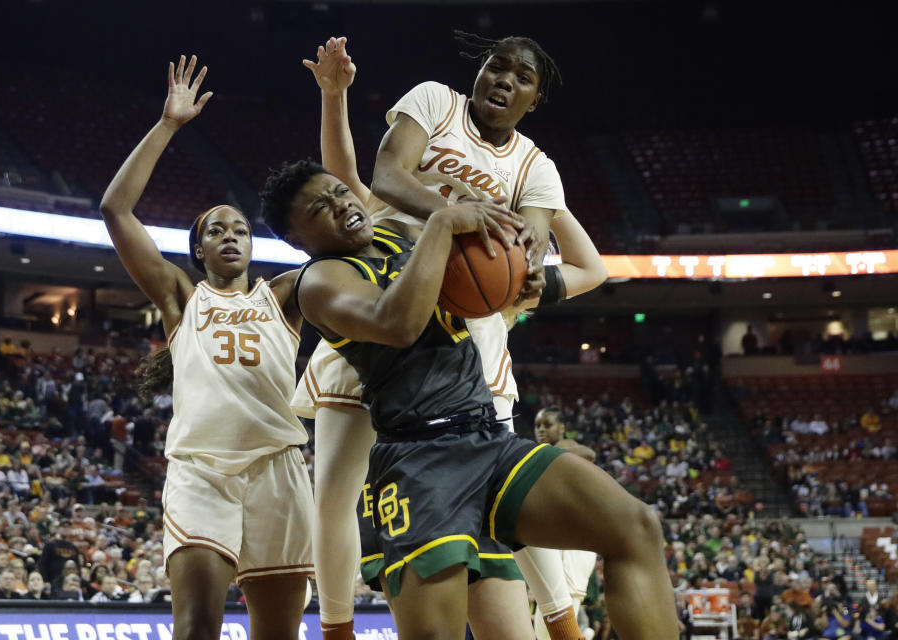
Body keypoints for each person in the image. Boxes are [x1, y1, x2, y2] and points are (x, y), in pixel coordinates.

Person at [260, 161, 677, 640]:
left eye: (338, 192)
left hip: (487, 439)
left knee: (636, 527)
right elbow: (397, 323)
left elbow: (487, 284)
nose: (341, 204)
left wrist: (522, 281)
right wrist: (441, 220)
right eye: (320, 207)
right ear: (296, 240)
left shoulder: (401, 242)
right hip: (420, 462)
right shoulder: (321, 281)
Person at [297, 34, 607, 640]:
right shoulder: (436, 101)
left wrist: (528, 278)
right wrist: (453, 215)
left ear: (535, 98)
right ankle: (336, 627)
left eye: (521, 77)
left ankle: (563, 623)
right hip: (383, 293)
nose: (503, 80)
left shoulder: (534, 166)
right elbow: (382, 174)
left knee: (496, 483)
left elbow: (535, 242)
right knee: (335, 486)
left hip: (467, 332)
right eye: (496, 67)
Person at [99, 55, 313, 640]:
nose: (229, 236)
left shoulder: (286, 295)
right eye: (214, 230)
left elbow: (346, 251)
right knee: (196, 630)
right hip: (201, 471)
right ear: (197, 250)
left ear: (252, 244)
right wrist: (168, 125)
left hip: (278, 470)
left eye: (239, 228)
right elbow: (115, 210)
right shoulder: (181, 299)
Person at [532, 407, 599, 640]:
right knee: (547, 611)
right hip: (555, 537)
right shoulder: (540, 455)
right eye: (538, 425)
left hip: (574, 541)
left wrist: (543, 452)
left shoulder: (568, 448)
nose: (541, 429)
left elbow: (589, 454)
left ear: (562, 428)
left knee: (561, 608)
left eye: (547, 424)